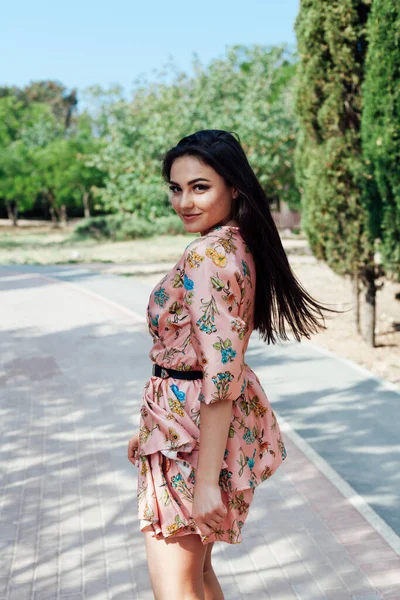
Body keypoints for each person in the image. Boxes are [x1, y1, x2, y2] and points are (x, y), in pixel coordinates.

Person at [127, 129, 342, 599]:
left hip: (194, 429)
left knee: (176, 586)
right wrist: (152, 429)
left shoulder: (207, 254)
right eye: (176, 188)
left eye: (200, 187)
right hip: (183, 425)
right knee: (198, 576)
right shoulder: (236, 244)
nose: (184, 201)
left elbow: (218, 377)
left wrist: (205, 484)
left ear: (234, 189)